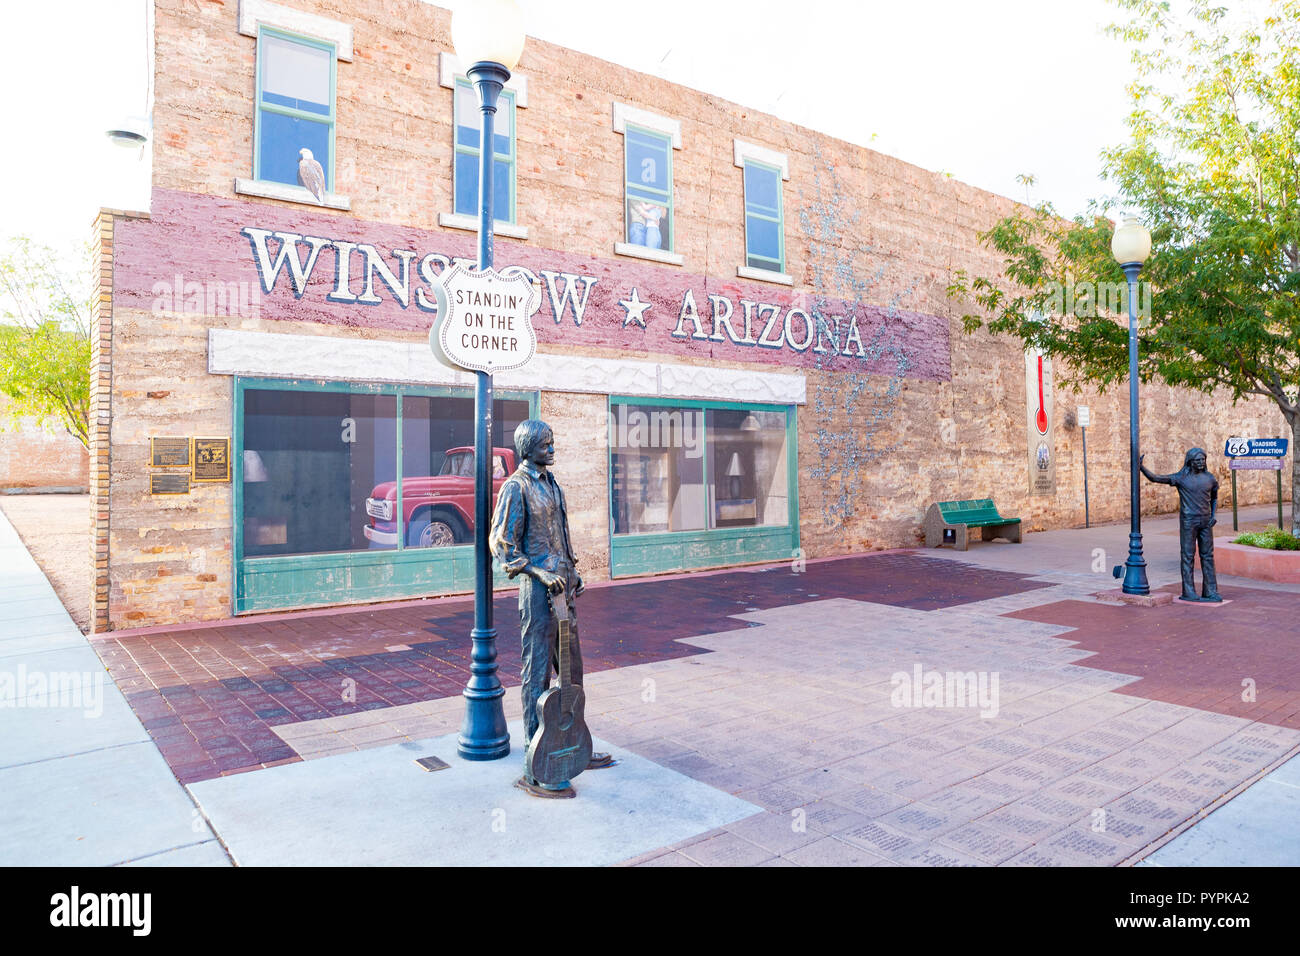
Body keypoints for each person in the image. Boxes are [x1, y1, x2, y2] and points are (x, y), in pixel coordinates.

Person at [489, 419, 613, 796]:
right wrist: (539, 573)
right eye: (546, 445)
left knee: (572, 671)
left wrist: (573, 572)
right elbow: (502, 543)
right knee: (538, 672)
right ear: (528, 449)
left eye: (552, 443)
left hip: (564, 590)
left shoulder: (552, 482)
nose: (552, 449)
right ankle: (536, 758)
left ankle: (572, 744)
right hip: (538, 593)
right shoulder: (516, 487)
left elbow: (559, 535)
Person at [1140, 447, 1223, 602]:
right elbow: (1156, 478)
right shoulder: (1181, 478)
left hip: (1206, 521)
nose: (1201, 462)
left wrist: (1213, 515)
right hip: (1188, 521)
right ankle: (1189, 591)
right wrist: (1142, 468)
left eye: (1203, 459)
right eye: (1197, 460)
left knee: (1208, 556)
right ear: (1190, 462)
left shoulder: (1210, 478)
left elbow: (1214, 498)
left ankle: (1210, 591)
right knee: (1187, 556)